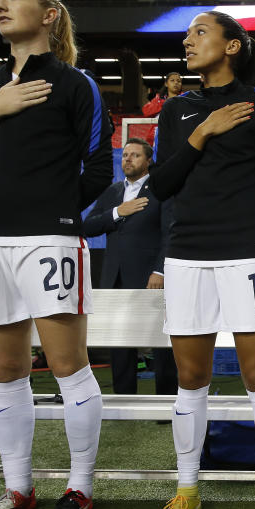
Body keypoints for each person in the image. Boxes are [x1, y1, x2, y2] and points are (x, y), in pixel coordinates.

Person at [0, 0, 113, 509]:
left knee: (68, 367)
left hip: (47, 238)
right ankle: (17, 490)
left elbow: (98, 168)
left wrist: (56, 213)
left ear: (48, 14)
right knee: (4, 371)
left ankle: (80, 488)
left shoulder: (75, 84)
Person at [148, 10, 255, 509]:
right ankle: (186, 490)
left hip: (247, 254)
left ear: (232, 46)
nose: (187, 41)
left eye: (200, 33)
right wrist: (203, 133)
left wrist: (248, 223)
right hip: (186, 253)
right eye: (187, 35)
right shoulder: (176, 110)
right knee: (191, 379)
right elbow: (161, 184)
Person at [82, 137, 177, 396]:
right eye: (125, 155)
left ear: (148, 161)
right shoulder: (113, 192)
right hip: (115, 278)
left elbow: (171, 233)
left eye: (135, 155)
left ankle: (166, 400)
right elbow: (87, 226)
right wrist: (117, 212)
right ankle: (123, 398)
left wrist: (160, 271)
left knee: (161, 342)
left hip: (150, 277)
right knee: (119, 340)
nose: (128, 159)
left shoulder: (161, 190)